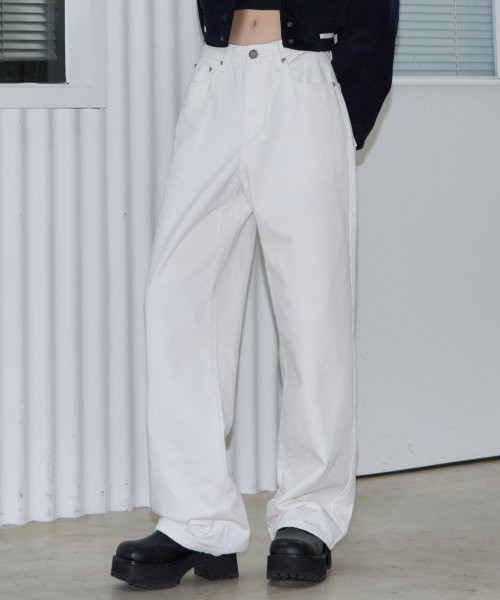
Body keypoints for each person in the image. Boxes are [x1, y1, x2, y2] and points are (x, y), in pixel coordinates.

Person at [111, 0, 399, 590]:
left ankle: (309, 514)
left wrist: (335, 115)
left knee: (313, 311)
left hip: (305, 81)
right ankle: (198, 519)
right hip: (217, 76)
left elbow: (376, 15)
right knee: (177, 297)